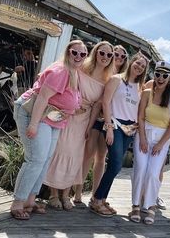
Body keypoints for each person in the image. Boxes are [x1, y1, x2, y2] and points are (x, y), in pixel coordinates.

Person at [9, 40, 86, 220]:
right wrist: (34, 124)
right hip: (35, 112)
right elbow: (42, 97)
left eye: (83, 54)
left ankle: (30, 200)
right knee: (35, 159)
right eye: (75, 52)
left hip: (53, 119)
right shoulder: (62, 71)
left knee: (45, 161)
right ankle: (18, 203)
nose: (78, 56)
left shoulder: (75, 73)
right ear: (68, 52)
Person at [44, 41, 115, 210]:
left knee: (76, 155)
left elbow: (98, 106)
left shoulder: (108, 80)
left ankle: (66, 194)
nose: (105, 57)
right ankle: (53, 195)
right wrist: (70, 108)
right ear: (95, 53)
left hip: (85, 120)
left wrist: (90, 127)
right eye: (102, 53)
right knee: (59, 150)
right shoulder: (81, 68)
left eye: (109, 55)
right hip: (68, 115)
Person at [90, 52, 149, 217]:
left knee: (115, 166)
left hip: (129, 129)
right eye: (137, 63)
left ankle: (101, 199)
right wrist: (108, 127)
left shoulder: (140, 87)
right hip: (115, 125)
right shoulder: (116, 79)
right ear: (132, 62)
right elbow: (106, 102)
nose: (139, 67)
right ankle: (97, 199)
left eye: (143, 67)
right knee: (115, 163)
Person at [73, 44, 129, 205]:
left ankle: (95, 194)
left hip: (110, 122)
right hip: (95, 118)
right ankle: (78, 193)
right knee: (87, 155)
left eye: (121, 56)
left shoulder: (122, 77)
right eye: (115, 55)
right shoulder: (103, 71)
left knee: (101, 158)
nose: (117, 58)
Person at [129, 61, 170, 225]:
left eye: (165, 75)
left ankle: (150, 206)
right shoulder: (147, 93)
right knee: (140, 169)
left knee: (153, 173)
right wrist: (142, 138)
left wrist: (160, 144)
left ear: (169, 77)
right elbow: (141, 117)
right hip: (144, 133)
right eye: (157, 74)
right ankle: (136, 205)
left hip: (162, 138)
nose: (160, 78)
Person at [142, 62, 170, 210]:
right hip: (151, 127)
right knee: (147, 166)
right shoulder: (153, 84)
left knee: (159, 168)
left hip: (167, 131)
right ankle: (145, 195)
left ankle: (153, 195)